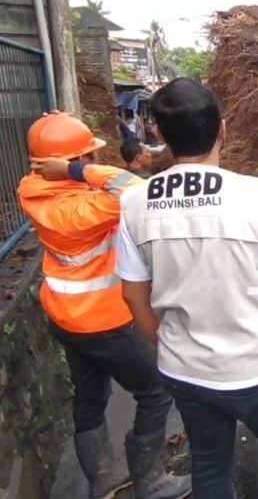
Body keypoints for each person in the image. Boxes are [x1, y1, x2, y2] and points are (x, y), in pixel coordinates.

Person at [115, 78, 258, 499]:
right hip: (256, 366)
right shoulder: (255, 195)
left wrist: (163, 343)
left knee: (209, 464)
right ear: (222, 129)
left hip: (184, 370)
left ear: (161, 136)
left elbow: (133, 294)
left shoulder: (135, 202)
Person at [18, 112, 191, 499]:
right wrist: (78, 170)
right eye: (87, 157)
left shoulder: (31, 189)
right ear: (66, 163)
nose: (94, 163)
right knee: (156, 391)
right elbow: (135, 188)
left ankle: (103, 481)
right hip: (104, 320)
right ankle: (151, 481)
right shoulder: (81, 211)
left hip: (63, 317)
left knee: (90, 396)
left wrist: (65, 170)